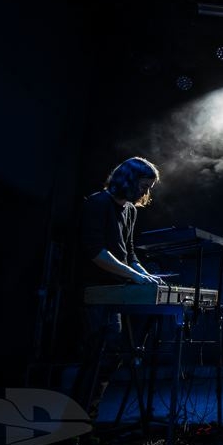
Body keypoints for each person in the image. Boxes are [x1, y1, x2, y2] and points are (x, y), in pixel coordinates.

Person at [71, 157, 163, 430]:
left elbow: (129, 252)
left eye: (149, 188)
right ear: (128, 180)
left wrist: (145, 275)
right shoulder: (97, 203)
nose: (145, 193)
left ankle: (85, 423)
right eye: (143, 186)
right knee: (97, 358)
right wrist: (134, 276)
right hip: (94, 291)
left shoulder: (130, 211)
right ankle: (75, 428)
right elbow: (96, 252)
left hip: (115, 293)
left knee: (108, 358)